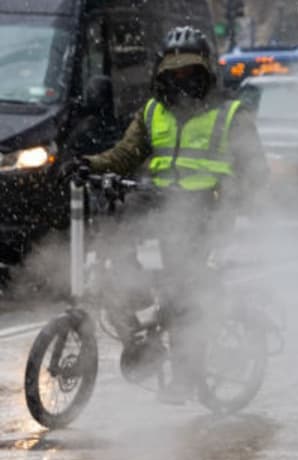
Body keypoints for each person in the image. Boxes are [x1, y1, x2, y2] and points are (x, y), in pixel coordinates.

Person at [80, 25, 266, 403]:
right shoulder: (153, 110)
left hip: (207, 210)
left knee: (183, 293)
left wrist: (233, 196)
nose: (180, 77)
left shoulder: (231, 113)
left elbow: (255, 169)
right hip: (162, 201)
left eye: (189, 70)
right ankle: (136, 313)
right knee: (113, 235)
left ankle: (185, 374)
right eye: (173, 70)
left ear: (205, 70)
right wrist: (90, 164)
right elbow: (126, 153)